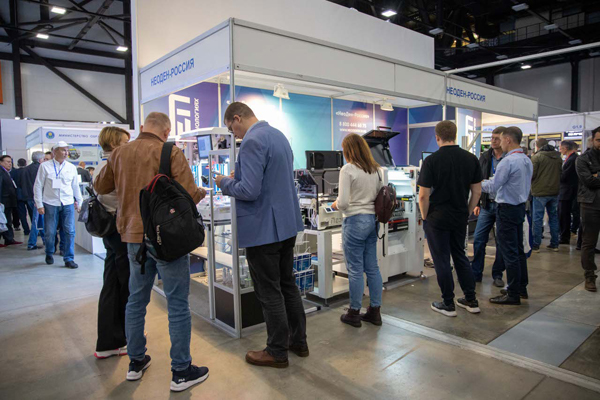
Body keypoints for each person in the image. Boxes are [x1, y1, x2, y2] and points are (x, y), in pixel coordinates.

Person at [95, 112, 209, 391]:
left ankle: (135, 362)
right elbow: (189, 195)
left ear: (144, 127)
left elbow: (100, 186)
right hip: (167, 239)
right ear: (166, 131)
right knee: (177, 304)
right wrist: (200, 193)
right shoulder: (170, 152)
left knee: (136, 300)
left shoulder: (119, 153)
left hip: (132, 237)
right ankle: (181, 370)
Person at [214, 102, 307, 368]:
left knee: (269, 291)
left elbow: (249, 191)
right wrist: (241, 176)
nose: (234, 134)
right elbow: (269, 179)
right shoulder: (278, 136)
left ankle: (277, 351)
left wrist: (224, 183)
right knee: (287, 285)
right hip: (285, 226)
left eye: (231, 129)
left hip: (264, 229)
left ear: (237, 118)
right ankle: (298, 341)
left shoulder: (252, 141)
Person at [417, 121, 482, 317]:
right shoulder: (471, 159)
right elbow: (477, 191)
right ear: (455, 134)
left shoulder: (431, 161)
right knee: (460, 256)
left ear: (437, 137)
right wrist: (467, 212)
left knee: (442, 260)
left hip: (437, 217)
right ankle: (471, 300)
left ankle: (448, 303)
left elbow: (423, 196)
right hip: (459, 216)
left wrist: (424, 216)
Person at [331, 133, 384, 327]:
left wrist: (335, 204)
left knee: (354, 269)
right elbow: (380, 196)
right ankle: (375, 312)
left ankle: (354, 312)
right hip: (372, 221)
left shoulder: (348, 169)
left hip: (354, 221)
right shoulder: (376, 169)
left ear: (348, 151)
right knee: (372, 268)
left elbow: (344, 203)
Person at [482, 127, 533, 305]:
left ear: (508, 140)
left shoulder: (508, 161)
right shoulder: (526, 160)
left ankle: (513, 294)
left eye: (501, 139)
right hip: (519, 208)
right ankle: (521, 288)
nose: (500, 143)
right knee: (518, 251)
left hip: (506, 210)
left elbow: (493, 187)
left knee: (509, 252)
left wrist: (475, 183)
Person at [94, 127, 131, 360]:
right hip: (119, 232)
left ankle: (114, 337)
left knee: (113, 282)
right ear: (115, 143)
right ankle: (116, 340)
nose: (130, 145)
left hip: (112, 232)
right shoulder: (114, 166)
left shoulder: (103, 165)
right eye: (126, 141)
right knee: (121, 284)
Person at [33, 141, 82, 269]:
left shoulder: (71, 167)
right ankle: (49, 252)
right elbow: (38, 185)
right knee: (50, 231)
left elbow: (75, 186)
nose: (66, 153)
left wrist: (79, 202)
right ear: (54, 152)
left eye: (67, 150)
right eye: (63, 150)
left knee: (70, 231)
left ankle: (69, 258)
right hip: (50, 203)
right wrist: (39, 204)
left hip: (68, 203)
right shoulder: (45, 166)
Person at [471, 127, 506, 287]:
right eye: (492, 138)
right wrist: (478, 202)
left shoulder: (508, 158)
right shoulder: (485, 157)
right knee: (479, 239)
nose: (493, 141)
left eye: (496, 138)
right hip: (487, 204)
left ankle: (497, 274)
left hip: (503, 205)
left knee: (501, 242)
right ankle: (476, 273)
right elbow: (478, 180)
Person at [575, 127, 600, 292]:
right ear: (593, 140)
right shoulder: (583, 159)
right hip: (591, 205)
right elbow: (588, 181)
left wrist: (597, 175)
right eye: (599, 140)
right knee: (589, 242)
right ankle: (589, 275)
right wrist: (593, 177)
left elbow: (594, 179)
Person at [531, 138, 562, 252]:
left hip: (540, 191)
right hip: (554, 191)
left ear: (537, 146)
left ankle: (536, 244)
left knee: (537, 218)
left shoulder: (537, 157)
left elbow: (532, 174)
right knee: (553, 218)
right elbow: (560, 173)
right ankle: (555, 244)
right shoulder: (558, 157)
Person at [22, 152, 45, 250]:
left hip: (29, 197)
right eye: (44, 159)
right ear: (40, 160)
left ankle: (45, 240)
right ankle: (31, 243)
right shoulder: (40, 169)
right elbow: (39, 186)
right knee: (37, 221)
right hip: (37, 199)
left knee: (39, 220)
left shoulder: (26, 169)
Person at [559, 140, 579, 245]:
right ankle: (564, 235)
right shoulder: (571, 158)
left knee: (564, 215)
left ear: (566, 148)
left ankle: (564, 236)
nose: (560, 150)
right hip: (567, 191)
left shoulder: (572, 159)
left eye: (561, 148)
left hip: (567, 191)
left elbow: (565, 176)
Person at [0, 155, 22, 246]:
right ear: (1, 162)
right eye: (7, 162)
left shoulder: (7, 172)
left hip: (8, 201)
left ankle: (9, 239)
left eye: (10, 162)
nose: (10, 164)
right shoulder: (1, 172)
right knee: (4, 221)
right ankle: (8, 239)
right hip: (4, 201)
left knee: (7, 220)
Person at [11, 158, 30, 236]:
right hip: (28, 194)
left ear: (18, 164)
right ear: (26, 163)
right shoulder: (28, 171)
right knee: (32, 213)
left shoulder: (14, 172)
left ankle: (26, 230)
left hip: (18, 195)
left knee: (22, 214)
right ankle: (35, 229)